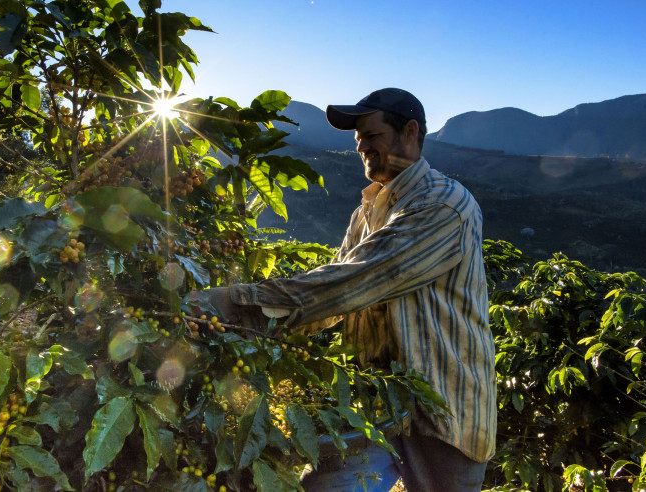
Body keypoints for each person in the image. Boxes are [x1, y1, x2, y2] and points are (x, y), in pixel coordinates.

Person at [189, 88, 496, 491]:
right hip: (378, 402)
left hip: (443, 411)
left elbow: (358, 281)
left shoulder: (445, 205)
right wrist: (249, 337)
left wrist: (236, 303)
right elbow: (333, 292)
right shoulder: (366, 212)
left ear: (410, 131)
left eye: (371, 136)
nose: (361, 147)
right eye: (358, 140)